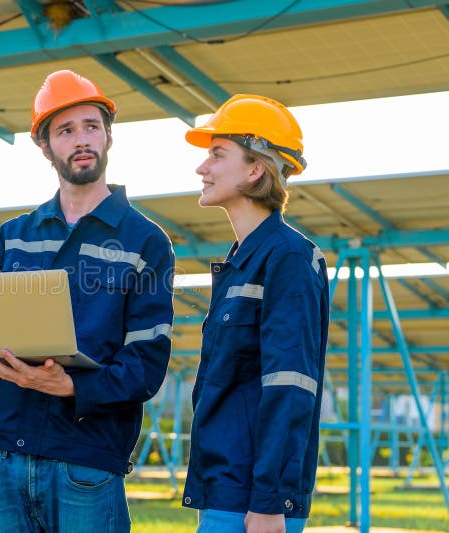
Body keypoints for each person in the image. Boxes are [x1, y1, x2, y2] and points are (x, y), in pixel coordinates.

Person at [0, 70, 175, 533]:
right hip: (2, 458)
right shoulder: (14, 237)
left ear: (108, 136)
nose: (82, 139)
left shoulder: (145, 241)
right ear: (45, 147)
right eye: (65, 130)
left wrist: (71, 387)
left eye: (91, 126)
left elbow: (146, 364)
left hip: (87, 463)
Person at [180, 94, 329, 533]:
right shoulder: (242, 260)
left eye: (217, 154)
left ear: (254, 169)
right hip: (226, 490)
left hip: (253, 503)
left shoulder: (288, 257)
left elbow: (290, 384)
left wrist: (269, 502)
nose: (202, 168)